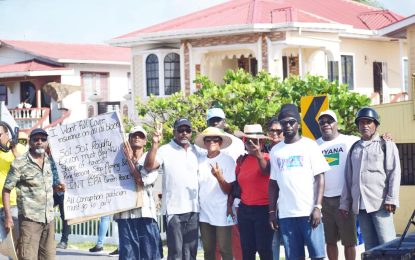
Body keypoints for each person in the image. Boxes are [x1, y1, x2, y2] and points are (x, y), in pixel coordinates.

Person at [268, 104, 329, 260]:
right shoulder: (276, 151)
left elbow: (320, 177)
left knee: (317, 256)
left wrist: (317, 207)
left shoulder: (310, 145)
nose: (287, 126)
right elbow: (273, 184)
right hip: (286, 215)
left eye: (291, 122)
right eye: (284, 123)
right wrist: (272, 212)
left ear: (298, 123)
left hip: (308, 212)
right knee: (293, 257)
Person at [339, 107, 401, 251]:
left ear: (376, 125)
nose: (365, 125)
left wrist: (391, 198)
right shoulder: (355, 148)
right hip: (360, 206)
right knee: (370, 246)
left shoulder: (385, 144)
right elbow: (348, 178)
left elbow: (394, 173)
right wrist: (344, 203)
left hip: (380, 203)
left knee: (388, 243)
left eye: (369, 122)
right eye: (361, 123)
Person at [2, 128, 65, 260]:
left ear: (47, 142)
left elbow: (44, 186)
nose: (39, 142)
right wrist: (8, 217)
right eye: (36, 139)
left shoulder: (48, 160)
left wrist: (56, 188)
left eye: (43, 139)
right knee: (28, 257)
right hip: (30, 221)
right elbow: (6, 190)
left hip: (48, 220)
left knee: (48, 257)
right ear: (30, 142)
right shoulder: (20, 163)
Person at [144, 118, 199, 260]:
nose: (184, 133)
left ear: (191, 133)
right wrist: (155, 144)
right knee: (176, 253)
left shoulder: (196, 150)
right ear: (174, 132)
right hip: (173, 210)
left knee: (191, 253)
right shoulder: (165, 150)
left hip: (194, 210)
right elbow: (149, 166)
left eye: (187, 130)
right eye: (180, 130)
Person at [113, 125, 163, 259]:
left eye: (140, 136)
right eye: (134, 135)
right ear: (128, 139)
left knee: (149, 255)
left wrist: (130, 160)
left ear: (145, 141)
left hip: (146, 215)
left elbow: (141, 181)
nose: (137, 137)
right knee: (128, 256)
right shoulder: (117, 160)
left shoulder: (151, 158)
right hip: (125, 215)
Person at [316, 110, 359, 260]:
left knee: (349, 242)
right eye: (322, 122)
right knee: (330, 241)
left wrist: (384, 137)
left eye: (330, 121)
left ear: (336, 123)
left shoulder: (350, 140)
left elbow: (369, 140)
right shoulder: (315, 145)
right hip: (324, 200)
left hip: (344, 199)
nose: (326, 124)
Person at [205, 107, 244, 260]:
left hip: (232, 200)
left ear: (224, 122)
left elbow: (240, 169)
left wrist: (234, 198)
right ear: (207, 122)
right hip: (208, 204)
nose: (215, 123)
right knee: (213, 246)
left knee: (234, 239)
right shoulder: (202, 143)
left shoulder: (236, 143)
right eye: (211, 120)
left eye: (218, 120)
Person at [230, 124, 274, 260]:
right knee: (247, 250)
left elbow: (265, 171)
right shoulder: (241, 161)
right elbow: (236, 185)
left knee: (264, 249)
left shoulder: (268, 157)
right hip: (245, 210)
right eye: (247, 141)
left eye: (255, 141)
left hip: (264, 209)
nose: (251, 144)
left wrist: (258, 155)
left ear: (262, 142)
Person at [195, 127, 235, 260]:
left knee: (225, 249)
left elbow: (230, 190)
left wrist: (219, 177)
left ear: (221, 142)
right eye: (208, 139)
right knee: (208, 250)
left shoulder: (228, 160)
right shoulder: (199, 161)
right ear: (204, 142)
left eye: (215, 139)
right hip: (204, 212)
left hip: (223, 212)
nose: (212, 142)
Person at [0, 123, 26, 247]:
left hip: (13, 204)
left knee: (14, 246)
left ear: (7, 134)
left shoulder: (19, 148)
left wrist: (13, 149)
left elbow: (27, 168)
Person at [264, 117, 284, 260]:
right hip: (268, 203)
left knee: (291, 243)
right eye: (272, 130)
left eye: (279, 130)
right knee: (273, 242)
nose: (275, 133)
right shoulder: (262, 150)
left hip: (287, 203)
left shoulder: (289, 148)